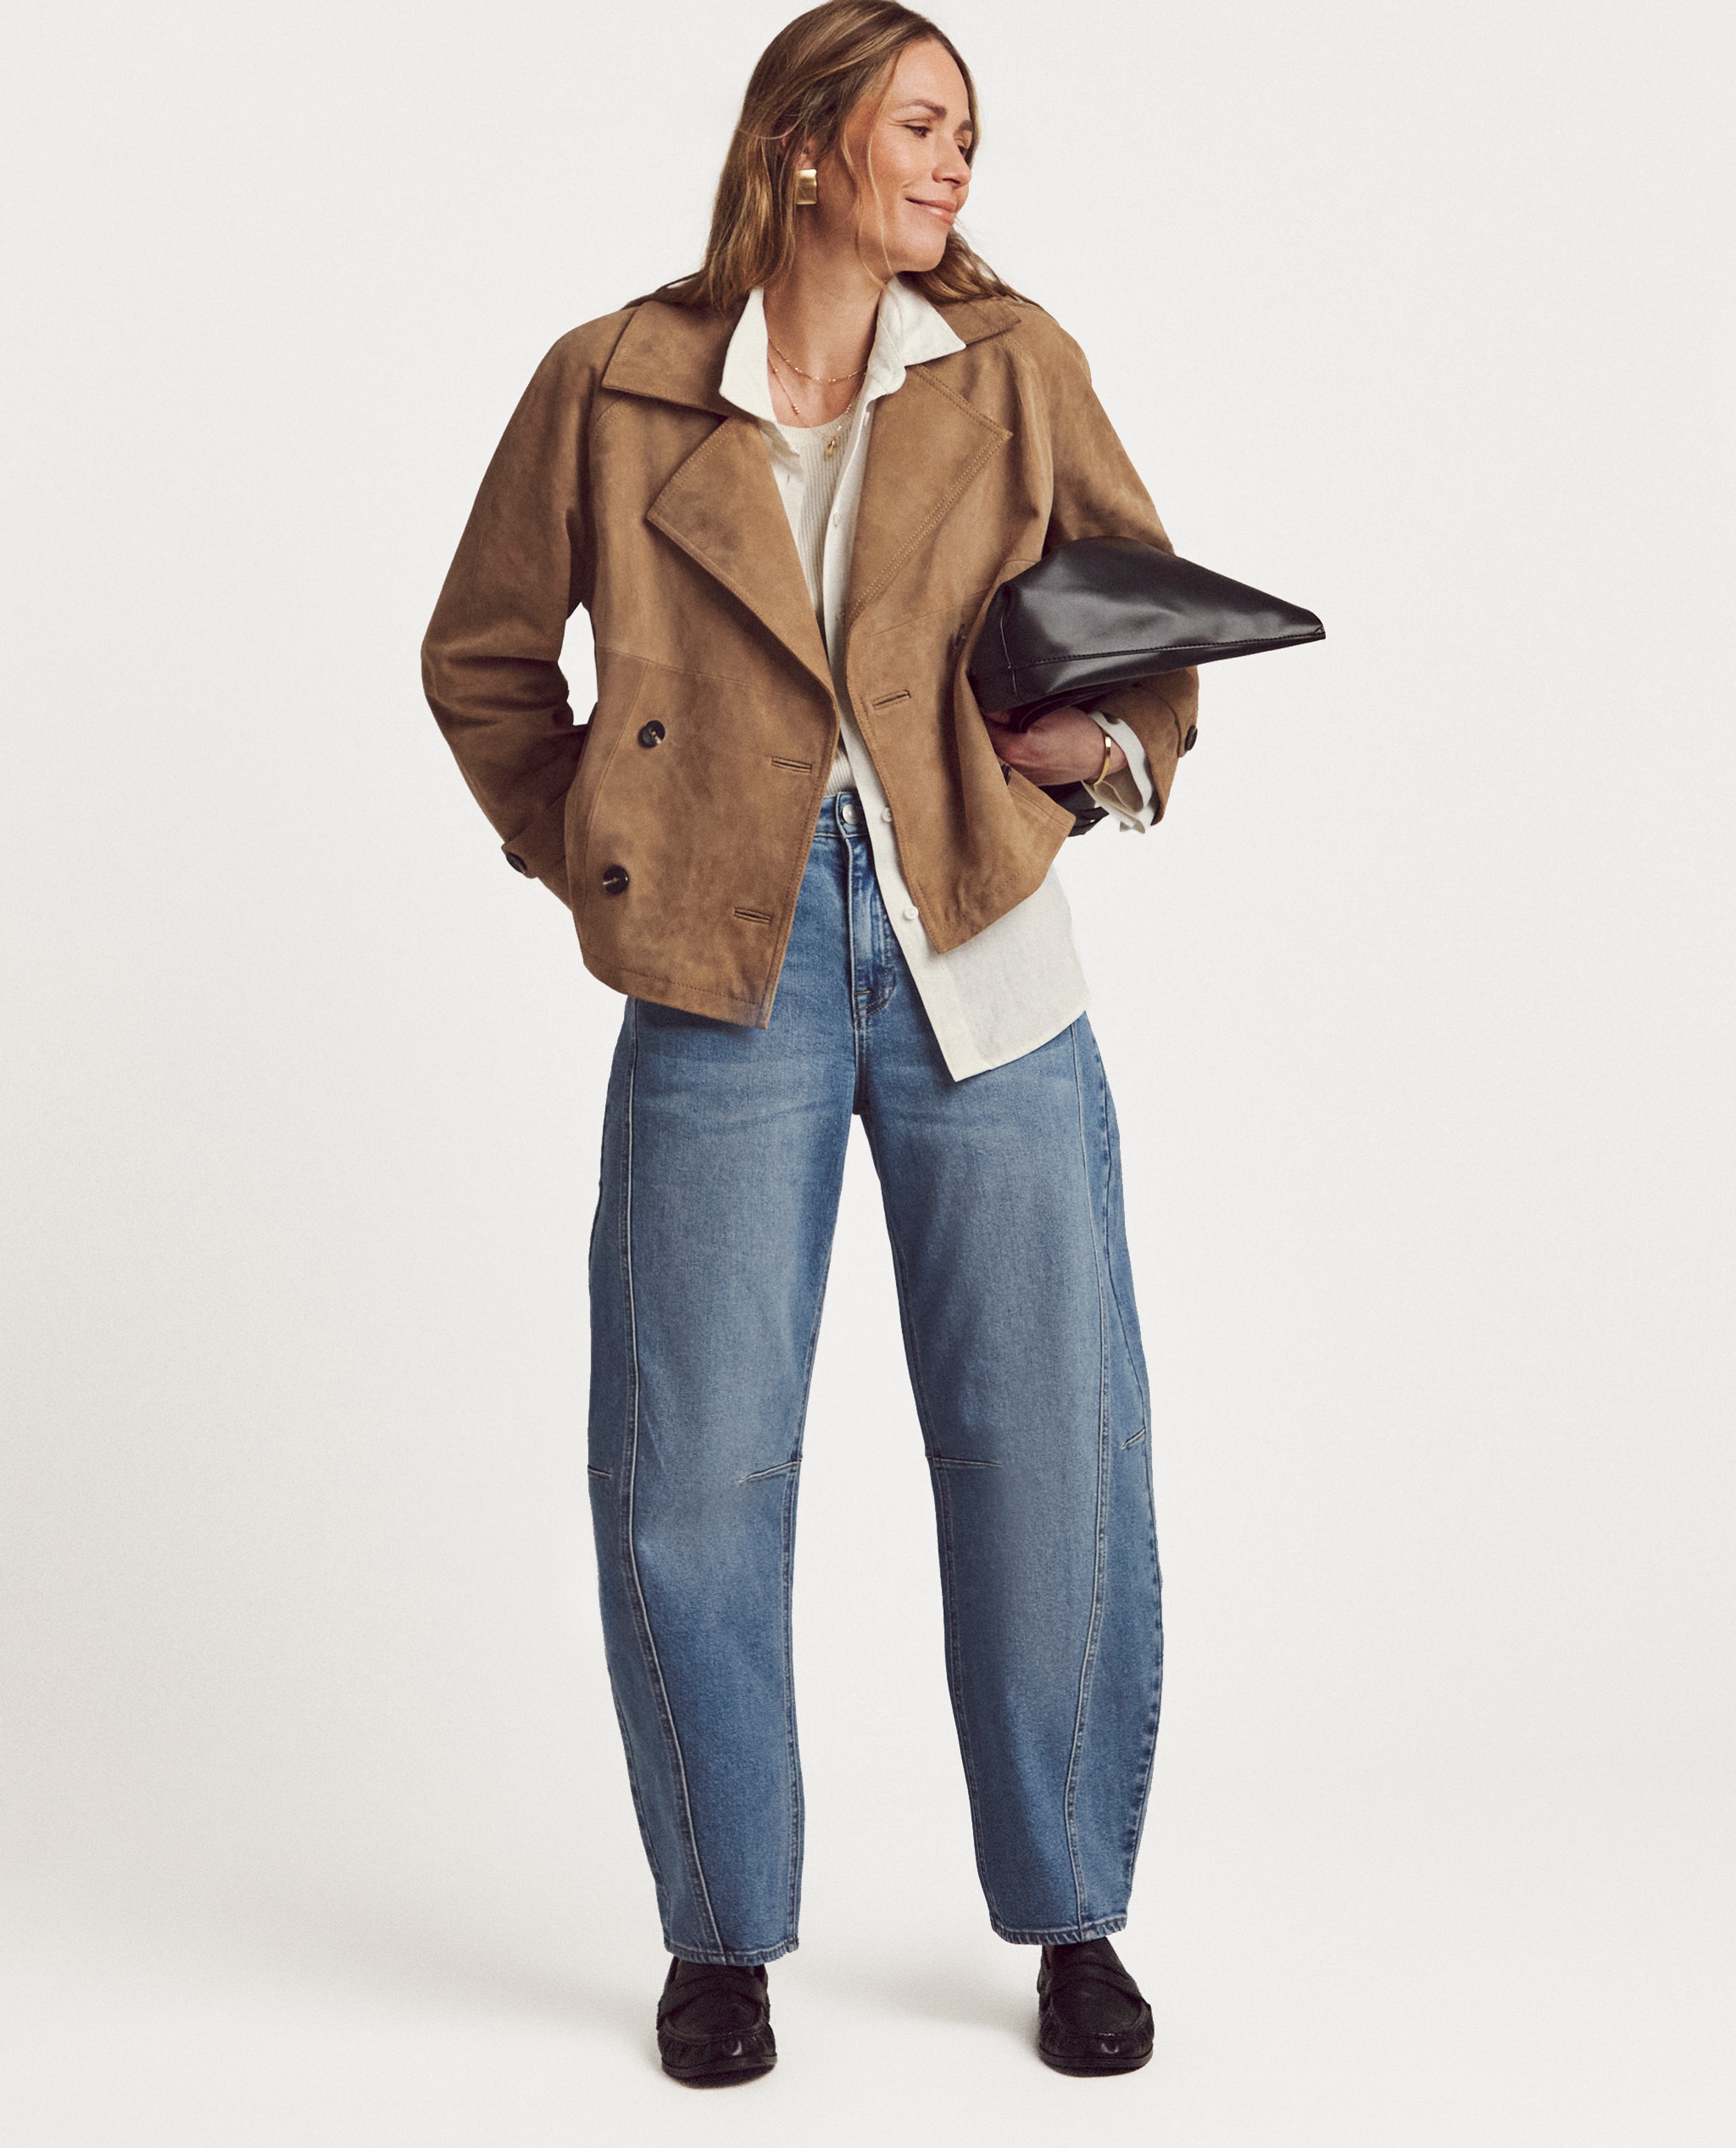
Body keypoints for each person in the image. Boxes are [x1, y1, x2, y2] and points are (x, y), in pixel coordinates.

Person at [422, 0, 1199, 2086]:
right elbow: (486, 655)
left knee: (1049, 1446)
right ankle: (718, 1933)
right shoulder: (611, 384)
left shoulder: (1013, 372)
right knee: (693, 1468)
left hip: (981, 950)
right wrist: (607, 850)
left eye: (970, 133)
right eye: (922, 124)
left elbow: (1142, 632)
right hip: (722, 968)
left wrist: (1082, 773)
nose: (957, 164)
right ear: (801, 146)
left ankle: (1072, 1916)